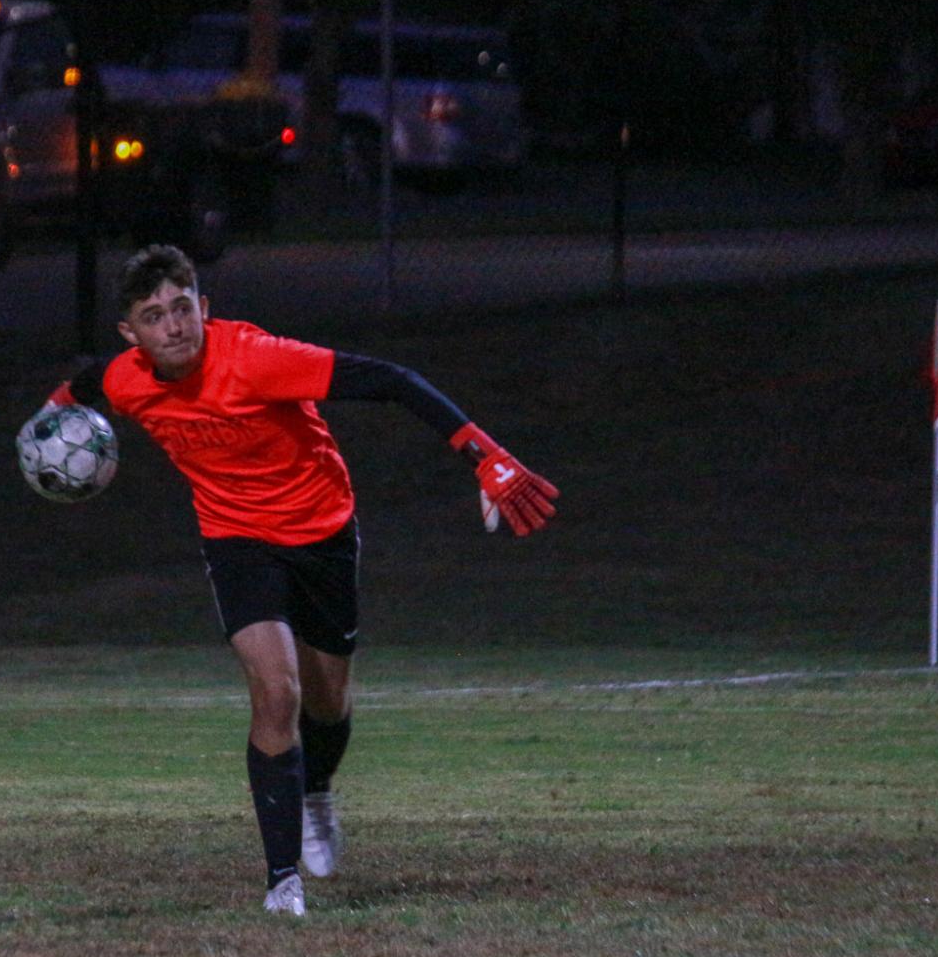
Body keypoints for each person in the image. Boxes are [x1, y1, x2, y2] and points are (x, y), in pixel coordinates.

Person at [44, 245, 557, 916]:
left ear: (202, 308)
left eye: (180, 308)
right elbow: (78, 390)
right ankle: (280, 881)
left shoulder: (255, 358)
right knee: (275, 692)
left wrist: (480, 453)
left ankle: (314, 790)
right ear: (130, 335)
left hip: (321, 534)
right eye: (152, 316)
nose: (171, 326)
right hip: (235, 541)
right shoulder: (124, 379)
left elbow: (393, 379)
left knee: (326, 702)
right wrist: (46, 424)